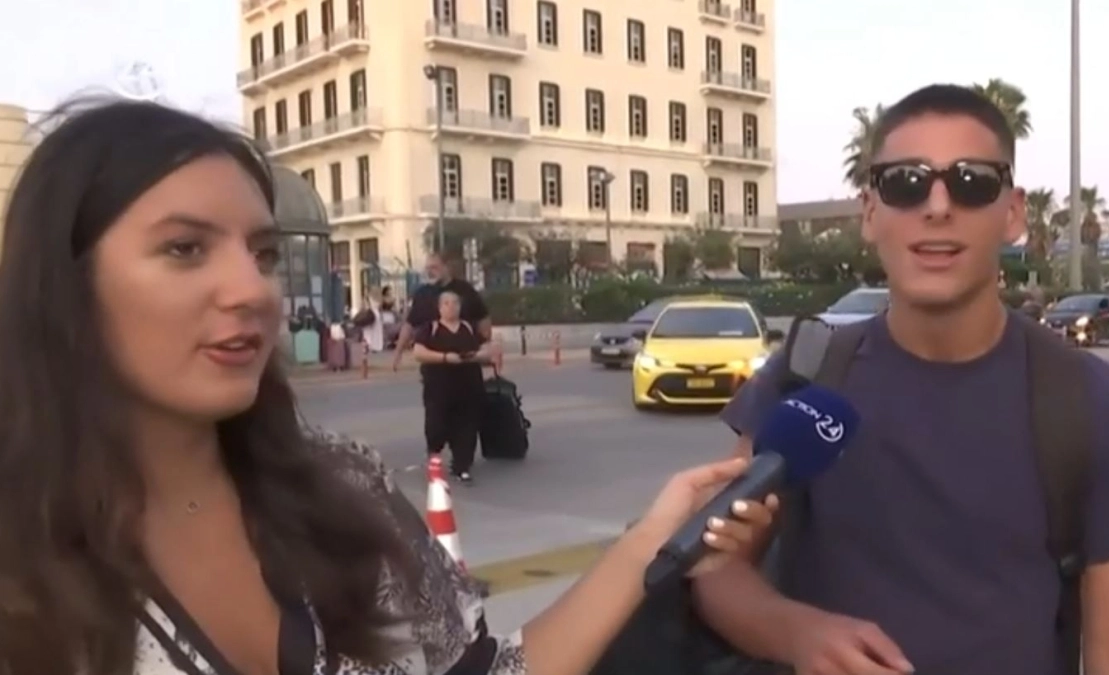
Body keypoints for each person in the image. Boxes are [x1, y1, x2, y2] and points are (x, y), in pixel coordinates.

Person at [0, 98, 779, 675]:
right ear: (63, 282)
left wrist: (653, 534)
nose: (251, 289)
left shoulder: (341, 483)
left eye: (263, 254)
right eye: (184, 249)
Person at [694, 84, 1109, 675]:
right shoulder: (805, 377)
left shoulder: (1092, 403)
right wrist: (795, 633)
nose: (936, 206)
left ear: (1013, 214)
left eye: (971, 182)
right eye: (905, 182)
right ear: (870, 212)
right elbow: (717, 567)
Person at [413, 289, 493, 483]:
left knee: (467, 427)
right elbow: (418, 352)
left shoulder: (468, 327)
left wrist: (474, 356)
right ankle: (434, 457)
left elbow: (487, 349)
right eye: (447, 303)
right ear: (439, 308)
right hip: (438, 388)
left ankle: (462, 466)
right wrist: (444, 358)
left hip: (469, 387)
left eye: (455, 303)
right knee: (436, 426)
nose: (451, 307)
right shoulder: (430, 329)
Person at [394, 252, 490, 370]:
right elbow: (410, 324)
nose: (430, 272)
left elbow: (482, 318)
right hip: (433, 363)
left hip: (466, 361)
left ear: (446, 267)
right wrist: (398, 352)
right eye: (427, 268)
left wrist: (485, 347)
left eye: (434, 268)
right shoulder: (422, 294)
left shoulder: (465, 290)